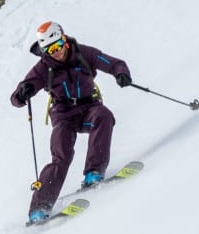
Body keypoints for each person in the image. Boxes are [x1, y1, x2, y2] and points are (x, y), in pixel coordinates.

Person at [10, 20, 132, 223]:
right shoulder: (43, 67)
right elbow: (18, 95)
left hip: (88, 108)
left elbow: (112, 63)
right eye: (49, 50)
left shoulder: (84, 53)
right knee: (61, 154)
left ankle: (94, 172)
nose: (55, 52)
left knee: (104, 116)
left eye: (57, 46)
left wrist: (121, 73)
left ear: (64, 40)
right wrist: (22, 94)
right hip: (63, 115)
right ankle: (39, 208)